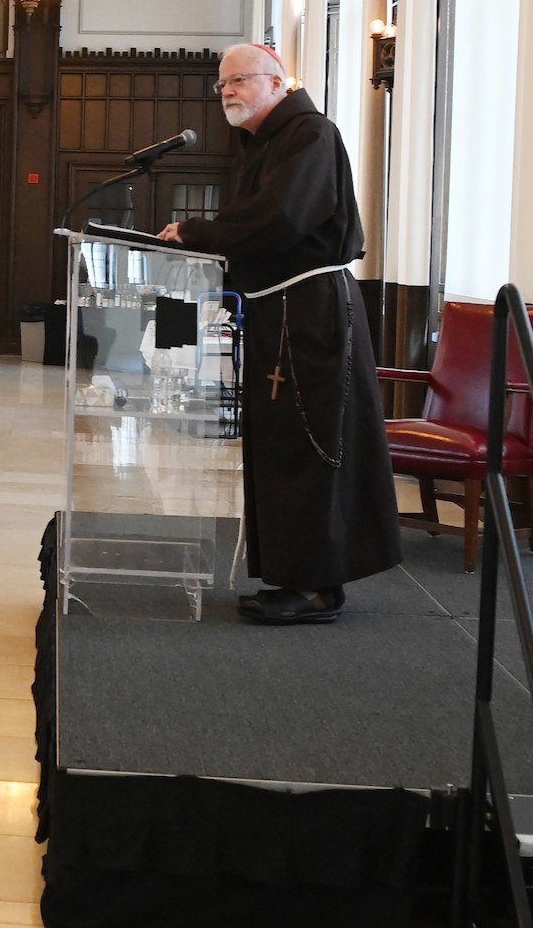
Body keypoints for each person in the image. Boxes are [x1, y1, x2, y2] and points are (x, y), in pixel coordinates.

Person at [158, 42, 400, 625]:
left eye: (239, 81)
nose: (228, 93)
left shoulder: (309, 134)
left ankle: (318, 588)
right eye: (222, 86)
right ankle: (292, 575)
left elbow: (280, 219)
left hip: (311, 314)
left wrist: (195, 231)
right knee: (280, 444)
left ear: (276, 82)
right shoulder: (263, 142)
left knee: (308, 444)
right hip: (282, 310)